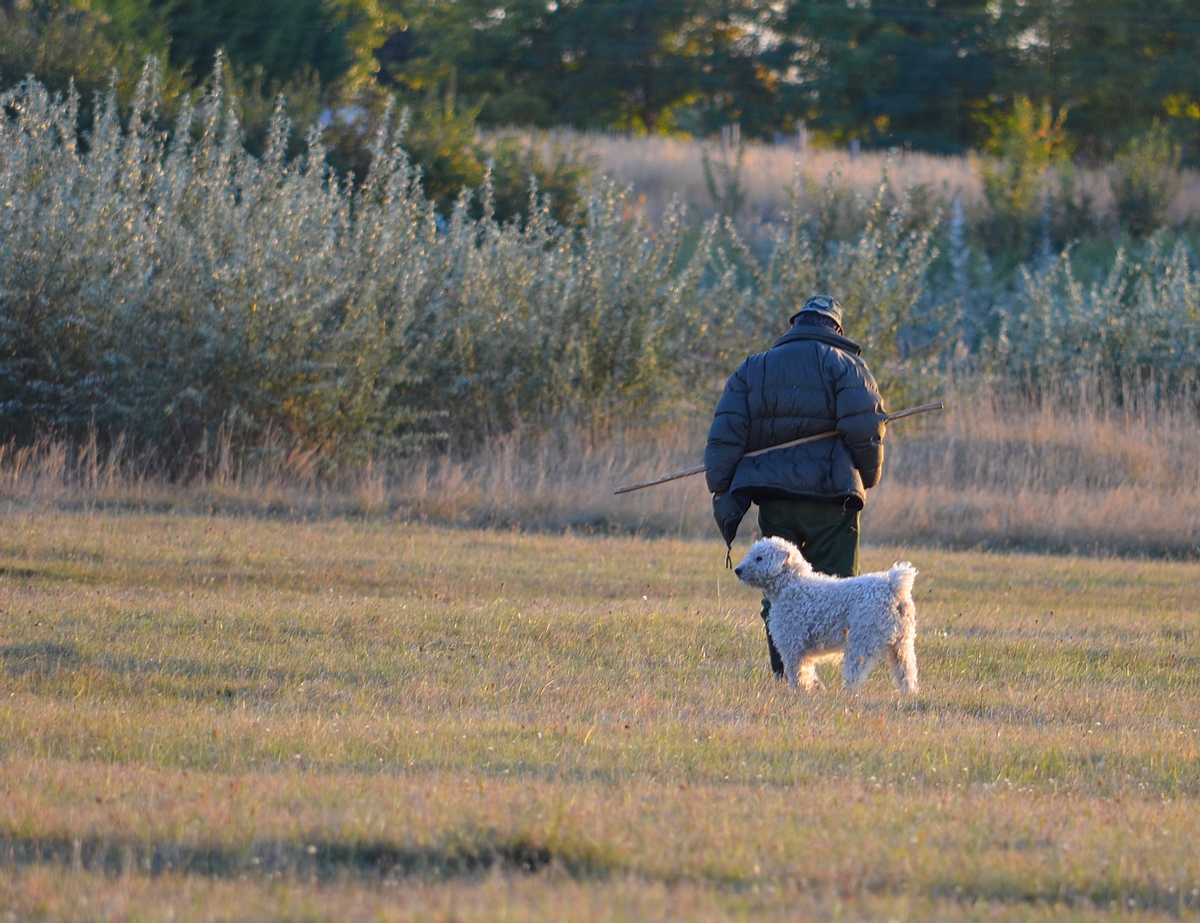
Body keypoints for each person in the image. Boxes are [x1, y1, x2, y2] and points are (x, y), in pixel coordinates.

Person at [704, 294, 888, 680]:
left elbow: (726, 432)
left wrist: (722, 485)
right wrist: (867, 477)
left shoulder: (755, 368)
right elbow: (866, 429)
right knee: (840, 595)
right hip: (832, 499)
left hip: (775, 499)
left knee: (779, 589)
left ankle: (786, 674)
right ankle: (837, 683)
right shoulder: (849, 366)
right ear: (836, 329)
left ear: (796, 324)